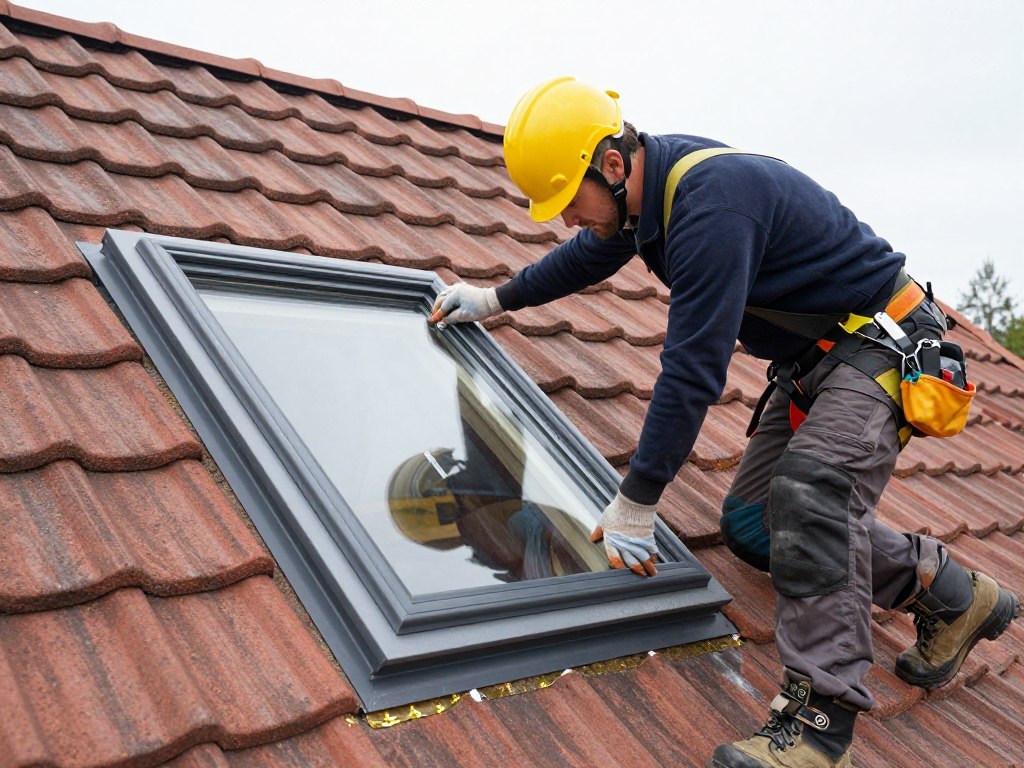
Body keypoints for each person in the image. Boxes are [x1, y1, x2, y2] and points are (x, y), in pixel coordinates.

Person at [429, 76, 1021, 768]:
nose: (565, 218)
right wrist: (496, 299)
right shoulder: (648, 200)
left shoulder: (711, 209)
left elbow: (692, 372)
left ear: (614, 166)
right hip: (818, 359)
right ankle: (950, 593)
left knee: (811, 494)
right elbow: (588, 252)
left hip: (882, 345)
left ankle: (818, 726)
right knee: (753, 525)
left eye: (570, 200)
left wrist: (637, 499)